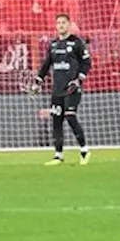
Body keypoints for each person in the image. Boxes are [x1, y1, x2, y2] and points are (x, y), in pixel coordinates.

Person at [32, 13, 91, 165]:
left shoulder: (77, 43)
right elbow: (46, 65)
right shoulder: (53, 45)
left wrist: (79, 79)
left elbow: (86, 63)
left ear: (69, 24)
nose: (61, 25)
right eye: (58, 23)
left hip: (72, 88)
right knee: (56, 121)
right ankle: (58, 155)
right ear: (56, 26)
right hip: (57, 89)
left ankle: (84, 150)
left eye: (64, 23)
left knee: (70, 116)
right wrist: (37, 82)